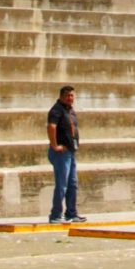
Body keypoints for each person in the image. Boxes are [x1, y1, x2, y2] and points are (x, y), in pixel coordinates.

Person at [47, 85, 84, 223]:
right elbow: (51, 127)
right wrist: (54, 145)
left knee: (72, 184)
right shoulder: (56, 110)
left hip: (70, 151)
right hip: (61, 154)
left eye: (72, 95)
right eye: (68, 95)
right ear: (61, 96)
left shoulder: (70, 110)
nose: (70, 98)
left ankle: (71, 213)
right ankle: (55, 215)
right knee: (62, 185)